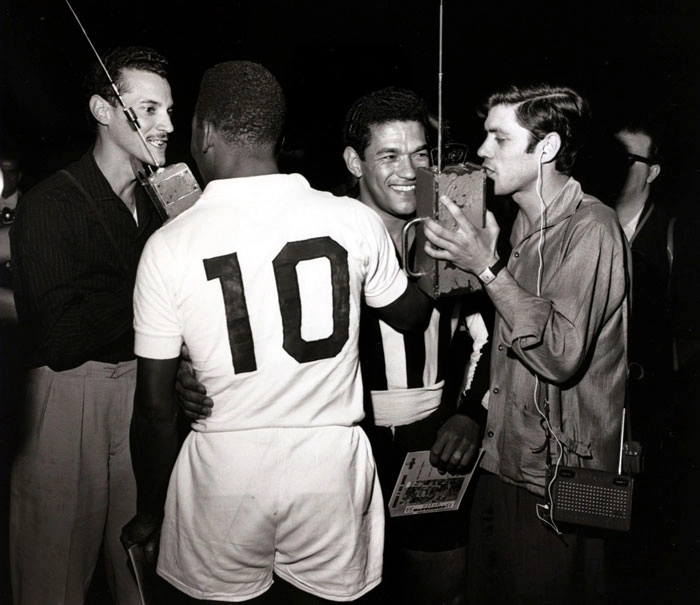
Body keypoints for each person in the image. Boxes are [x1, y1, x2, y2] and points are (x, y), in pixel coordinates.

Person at [120, 61, 430, 604]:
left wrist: (151, 510)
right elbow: (410, 314)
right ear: (277, 137)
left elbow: (152, 409)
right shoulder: (351, 220)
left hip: (224, 474)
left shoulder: (170, 245)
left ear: (207, 133)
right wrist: (433, 220)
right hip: (330, 468)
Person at [423, 84, 628, 604]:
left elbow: (560, 354)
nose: (483, 152)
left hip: (556, 482)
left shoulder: (593, 229)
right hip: (500, 464)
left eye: (498, 138)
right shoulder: (519, 224)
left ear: (547, 148)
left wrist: (488, 270)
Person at [9, 46, 172, 604]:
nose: (166, 125)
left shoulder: (162, 204)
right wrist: (157, 281)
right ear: (104, 111)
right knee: (53, 575)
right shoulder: (52, 202)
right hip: (68, 394)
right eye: (148, 110)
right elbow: (60, 338)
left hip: (144, 394)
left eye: (168, 111)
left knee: (143, 572)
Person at [341, 87, 490, 604]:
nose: (409, 170)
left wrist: (470, 413)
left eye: (420, 154)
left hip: (433, 439)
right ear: (354, 162)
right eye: (388, 155)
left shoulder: (451, 231)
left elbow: (488, 336)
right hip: (345, 445)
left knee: (441, 587)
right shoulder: (325, 235)